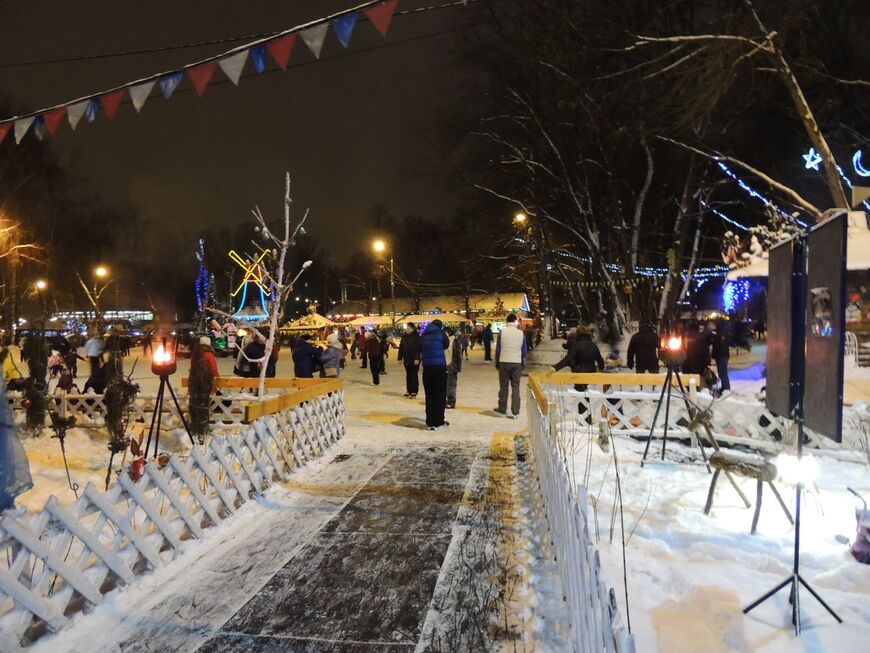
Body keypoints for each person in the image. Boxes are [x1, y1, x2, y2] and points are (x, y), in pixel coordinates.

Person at [494, 314, 528, 418]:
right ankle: (515, 411)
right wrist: (523, 362)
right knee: (516, 387)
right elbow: (524, 351)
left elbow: (498, 349)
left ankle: (502, 408)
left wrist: (497, 362)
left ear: (507, 321)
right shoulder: (521, 334)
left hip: (504, 361)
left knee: (504, 386)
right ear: (516, 321)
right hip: (516, 362)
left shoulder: (502, 332)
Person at [553, 325, 604, 391]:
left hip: (578, 374)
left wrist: (554, 368)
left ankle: (583, 400)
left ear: (578, 334)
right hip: (591, 375)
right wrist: (601, 369)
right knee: (585, 394)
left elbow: (568, 359)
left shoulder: (576, 345)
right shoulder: (593, 346)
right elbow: (600, 360)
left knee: (581, 394)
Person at [421, 319, 449, 430]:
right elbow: (446, 345)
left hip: (427, 368)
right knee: (440, 395)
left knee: (429, 395)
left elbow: (420, 347)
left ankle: (430, 421)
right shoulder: (441, 334)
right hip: (439, 368)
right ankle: (438, 421)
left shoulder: (424, 335)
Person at [398, 322, 422, 398]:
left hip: (414, 359)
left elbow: (419, 348)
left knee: (414, 375)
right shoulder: (404, 337)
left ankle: (414, 391)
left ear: (412, 328)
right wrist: (399, 358)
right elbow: (401, 348)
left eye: (408, 328)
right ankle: (409, 390)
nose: (407, 330)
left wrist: (417, 358)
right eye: (406, 328)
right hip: (407, 359)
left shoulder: (417, 336)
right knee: (408, 375)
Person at [710, 319, 731, 395]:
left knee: (723, 373)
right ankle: (724, 387)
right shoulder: (720, 334)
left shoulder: (720, 335)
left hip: (722, 356)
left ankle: (726, 388)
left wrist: (714, 354)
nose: (713, 326)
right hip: (721, 356)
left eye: (714, 325)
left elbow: (719, 347)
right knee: (721, 372)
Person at [446, 327, 463, 409]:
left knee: (451, 385)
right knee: (447, 384)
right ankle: (448, 400)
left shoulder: (455, 341)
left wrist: (457, 367)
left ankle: (451, 401)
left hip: (452, 365)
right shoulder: (445, 341)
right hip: (446, 365)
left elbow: (458, 355)